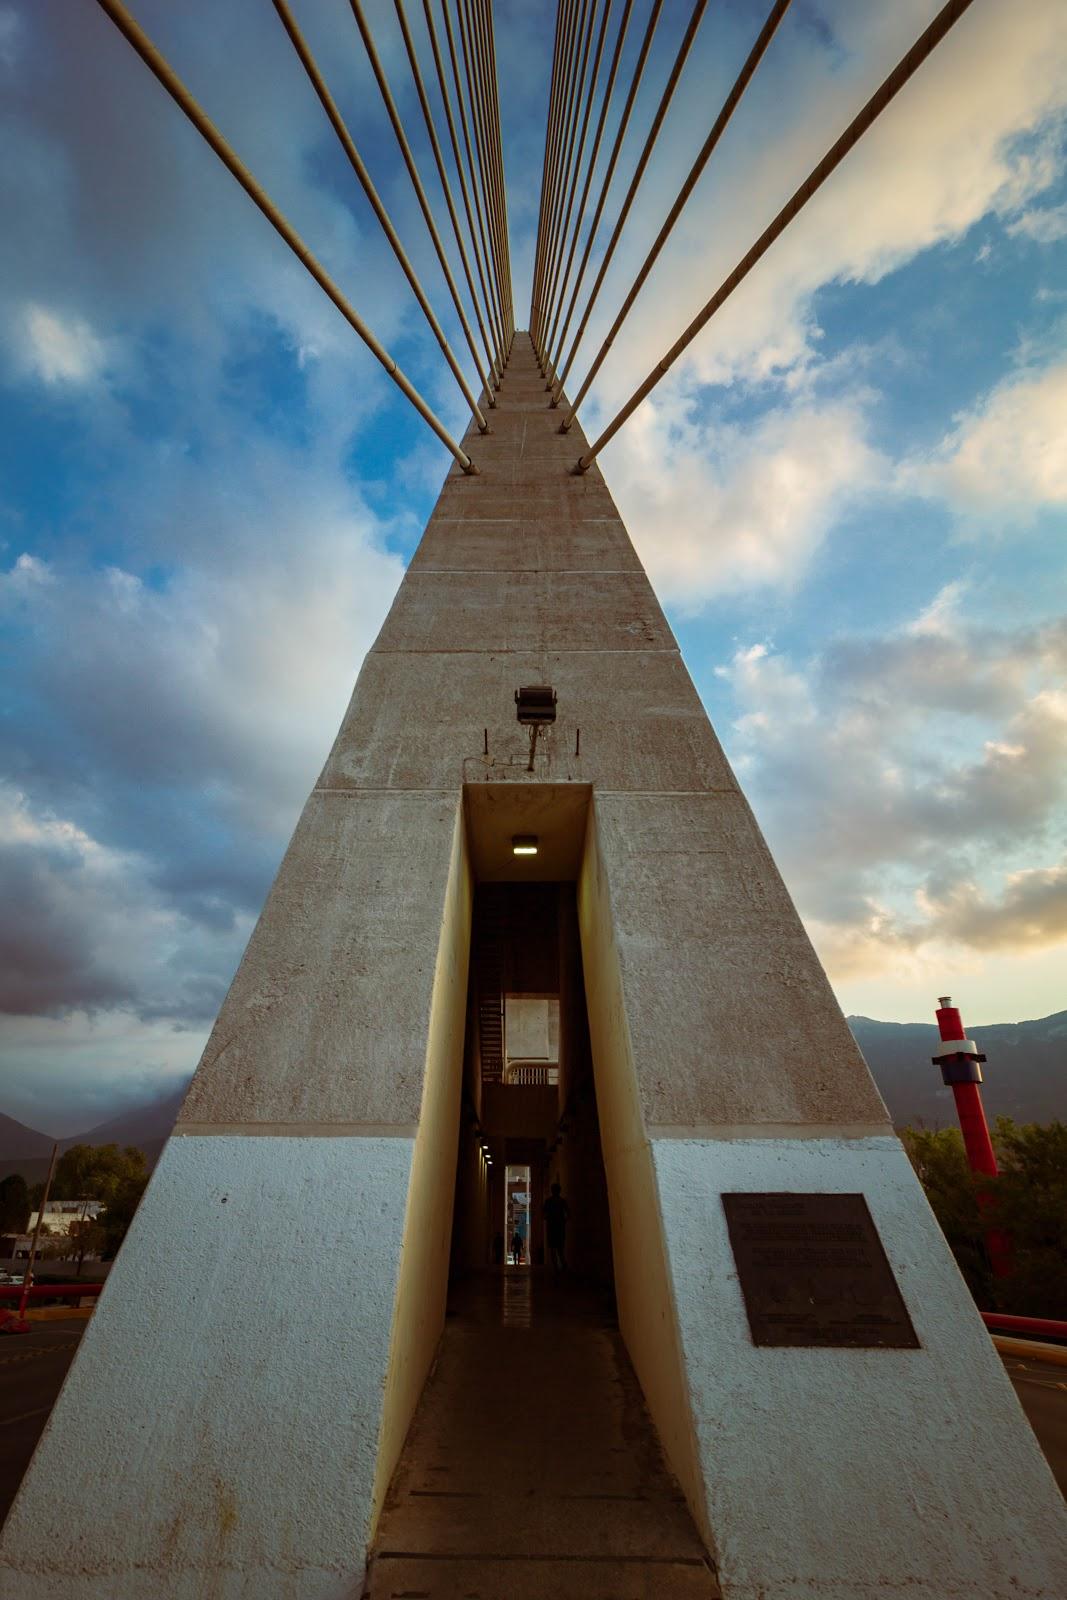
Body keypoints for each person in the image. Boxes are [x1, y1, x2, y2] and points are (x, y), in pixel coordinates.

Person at [543, 1182, 569, 1271]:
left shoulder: (548, 1201)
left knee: (553, 1249)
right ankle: (563, 1265)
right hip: (560, 1227)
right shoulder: (562, 1201)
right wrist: (564, 1221)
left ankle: (556, 1267)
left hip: (551, 1227)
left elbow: (543, 1213)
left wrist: (547, 1218)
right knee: (560, 1249)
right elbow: (568, 1213)